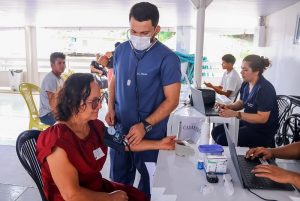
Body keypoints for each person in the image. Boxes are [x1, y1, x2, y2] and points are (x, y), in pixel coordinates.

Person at [36, 73, 176, 201]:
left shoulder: (95, 126)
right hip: (76, 197)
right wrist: (110, 198)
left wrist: (161, 144)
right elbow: (72, 195)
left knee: (138, 196)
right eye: (95, 102)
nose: (100, 106)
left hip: (95, 188)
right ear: (75, 102)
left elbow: (123, 143)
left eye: (101, 99)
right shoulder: (56, 140)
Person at [105, 2, 181, 197]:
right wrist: (111, 107)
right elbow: (114, 79)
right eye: (133, 31)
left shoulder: (168, 58)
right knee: (117, 182)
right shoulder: (121, 50)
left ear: (157, 30)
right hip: (121, 131)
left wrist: (145, 125)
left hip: (151, 134)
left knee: (149, 185)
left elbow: (172, 101)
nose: (137, 37)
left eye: (144, 33)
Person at [212, 54, 279, 147]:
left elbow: (262, 118)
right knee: (216, 131)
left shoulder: (265, 89)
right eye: (241, 69)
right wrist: (228, 106)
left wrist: (236, 114)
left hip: (262, 131)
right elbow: (242, 102)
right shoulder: (246, 84)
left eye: (245, 70)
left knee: (222, 139)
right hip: (248, 123)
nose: (241, 72)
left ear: (256, 71)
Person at [39, 52, 66, 126]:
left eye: (64, 63)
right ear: (52, 65)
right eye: (59, 63)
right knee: (68, 122)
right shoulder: (51, 79)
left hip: (55, 111)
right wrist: (62, 116)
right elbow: (53, 104)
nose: (62, 65)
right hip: (47, 115)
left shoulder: (60, 78)